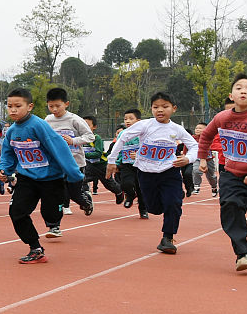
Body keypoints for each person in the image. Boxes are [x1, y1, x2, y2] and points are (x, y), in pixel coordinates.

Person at [196, 74, 247, 271]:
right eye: (239, 88)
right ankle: (242, 254)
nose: (243, 91)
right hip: (232, 173)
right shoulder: (222, 117)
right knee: (230, 205)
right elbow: (206, 136)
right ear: (231, 95)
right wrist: (202, 158)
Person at [0, 88, 84, 264]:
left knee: (50, 214)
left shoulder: (39, 125)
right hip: (26, 178)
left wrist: (73, 174)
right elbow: (7, 153)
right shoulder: (11, 131)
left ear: (29, 106)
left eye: (18, 106)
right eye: (9, 106)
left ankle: (59, 217)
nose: (13, 110)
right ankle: (35, 248)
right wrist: (3, 170)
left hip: (51, 179)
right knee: (17, 212)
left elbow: (58, 147)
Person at [106, 92, 198, 254]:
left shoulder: (177, 129)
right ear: (151, 109)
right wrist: (112, 160)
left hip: (169, 171)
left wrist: (188, 158)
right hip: (146, 172)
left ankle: (167, 238)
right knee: (154, 208)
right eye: (156, 107)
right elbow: (123, 137)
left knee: (173, 203)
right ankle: (166, 201)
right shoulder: (145, 125)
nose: (160, 110)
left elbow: (194, 145)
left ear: (174, 108)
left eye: (165, 106)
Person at [44, 88, 97, 217]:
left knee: (74, 193)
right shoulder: (47, 120)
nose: (54, 109)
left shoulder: (75, 119)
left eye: (58, 106)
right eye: (51, 106)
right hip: (57, 163)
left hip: (75, 162)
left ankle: (86, 202)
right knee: (59, 191)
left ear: (66, 104)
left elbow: (90, 136)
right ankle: (55, 220)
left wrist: (73, 141)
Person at [114, 109, 150, 218]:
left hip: (140, 165)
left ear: (138, 121)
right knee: (125, 184)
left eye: (131, 118)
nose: (127, 121)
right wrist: (116, 163)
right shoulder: (122, 134)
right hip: (126, 164)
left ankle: (143, 210)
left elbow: (149, 148)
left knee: (141, 188)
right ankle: (130, 195)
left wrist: (139, 155)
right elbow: (118, 149)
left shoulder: (144, 134)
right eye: (125, 119)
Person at [84, 115, 124, 203]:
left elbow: (98, 153)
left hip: (101, 165)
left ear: (94, 127)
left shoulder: (96, 138)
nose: (85, 127)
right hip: (90, 165)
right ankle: (86, 196)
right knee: (81, 179)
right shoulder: (81, 138)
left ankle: (119, 192)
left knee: (109, 184)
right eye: (83, 125)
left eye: (88, 125)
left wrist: (84, 154)